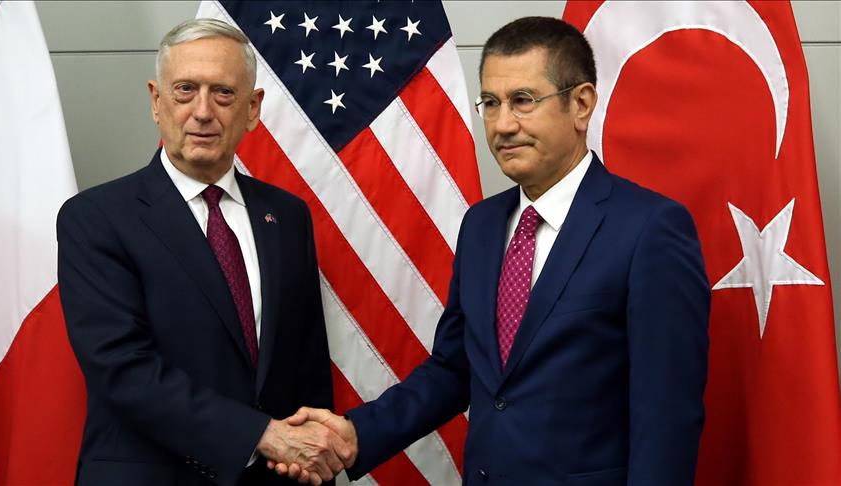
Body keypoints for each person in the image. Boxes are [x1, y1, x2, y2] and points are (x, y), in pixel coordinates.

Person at [275, 16, 710, 485]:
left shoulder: (650, 229)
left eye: (523, 100)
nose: (502, 125)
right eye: (491, 103)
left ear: (581, 104)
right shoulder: (481, 225)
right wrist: (356, 434)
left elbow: (666, 418)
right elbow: (454, 369)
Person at [57, 19, 351, 486]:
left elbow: (307, 369)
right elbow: (123, 369)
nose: (202, 112)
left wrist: (314, 464)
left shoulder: (287, 216)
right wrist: (261, 436)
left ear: (252, 109)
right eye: (185, 90)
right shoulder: (95, 218)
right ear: (156, 101)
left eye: (223, 93)